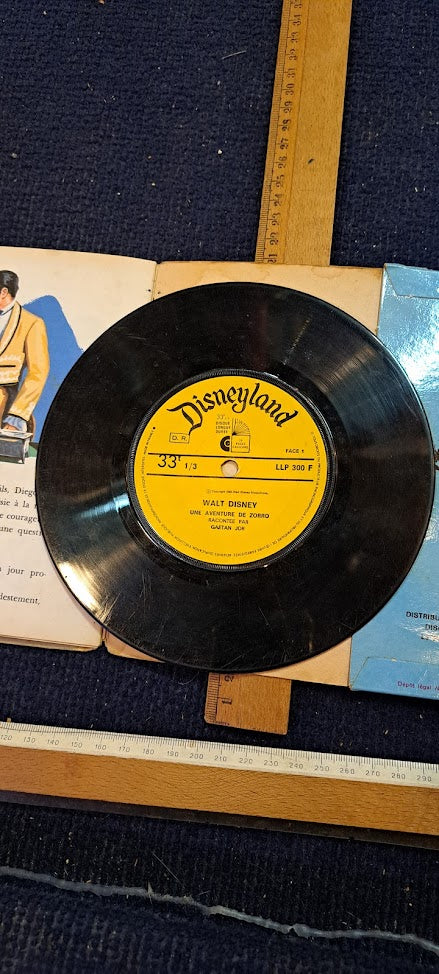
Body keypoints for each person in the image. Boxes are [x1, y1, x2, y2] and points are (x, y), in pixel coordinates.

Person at [0, 270, 49, 434]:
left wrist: (16, 417)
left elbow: (38, 372)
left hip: (4, 406)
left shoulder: (32, 323)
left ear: (4, 292)